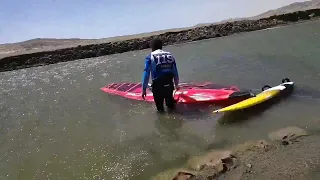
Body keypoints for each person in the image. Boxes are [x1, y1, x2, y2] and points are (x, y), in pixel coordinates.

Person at [141, 38, 180, 112]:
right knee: (171, 108)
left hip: (158, 87)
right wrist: (176, 85)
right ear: (161, 46)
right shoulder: (169, 55)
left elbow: (146, 74)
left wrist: (143, 89)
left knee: (160, 110)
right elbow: (175, 72)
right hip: (169, 85)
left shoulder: (150, 57)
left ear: (152, 47)